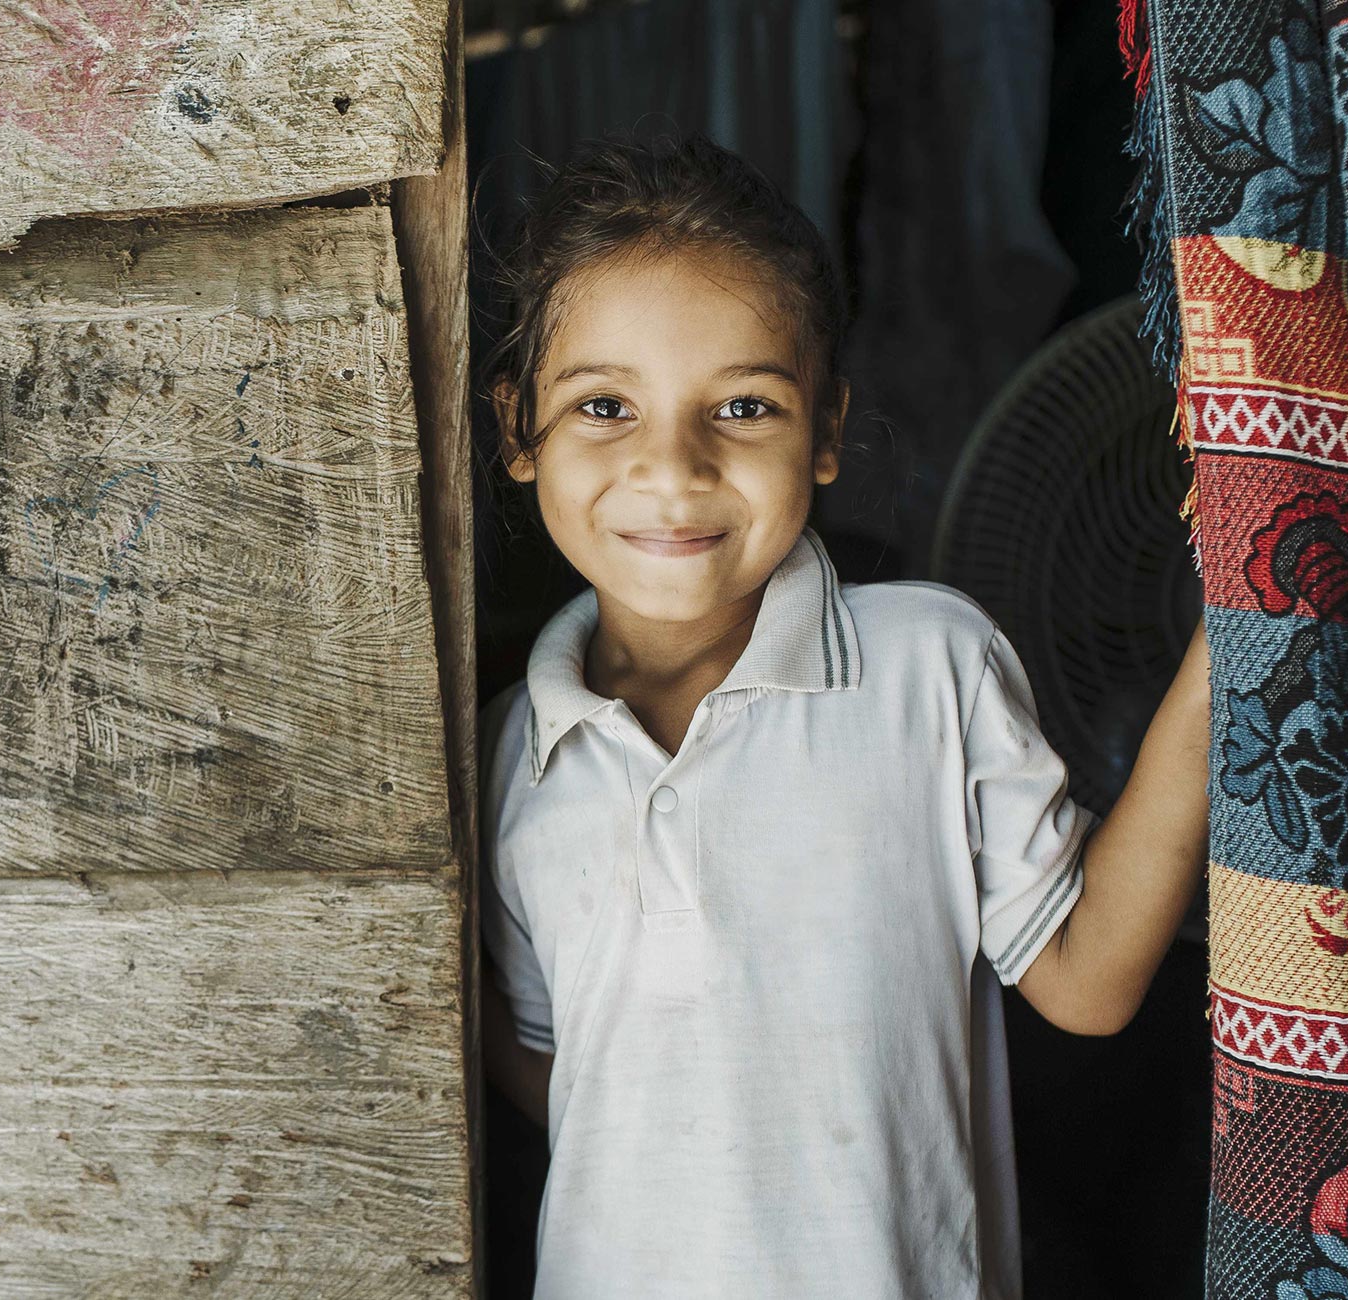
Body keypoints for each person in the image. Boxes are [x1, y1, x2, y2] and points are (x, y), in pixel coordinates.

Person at [477, 135, 1210, 1299]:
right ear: (519, 431)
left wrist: (1227, 650)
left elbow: (1087, 980)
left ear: (823, 431)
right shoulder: (510, 754)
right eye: (604, 405)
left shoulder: (928, 666)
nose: (673, 466)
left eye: (743, 406)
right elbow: (548, 1059)